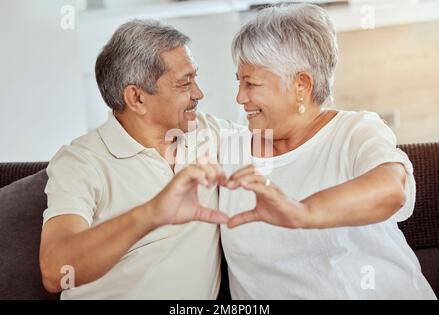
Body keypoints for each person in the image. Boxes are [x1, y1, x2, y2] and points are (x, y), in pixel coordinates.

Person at [219, 3, 436, 299]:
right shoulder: (228, 148)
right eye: (239, 82)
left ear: (301, 85)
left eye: (251, 83)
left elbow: (392, 189)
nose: (240, 97)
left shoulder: (356, 131)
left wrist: (301, 213)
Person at [39, 20, 231, 299]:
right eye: (185, 83)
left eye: (195, 78)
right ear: (137, 98)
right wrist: (153, 213)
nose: (198, 93)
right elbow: (56, 271)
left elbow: (285, 138)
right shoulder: (81, 162)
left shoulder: (208, 132)